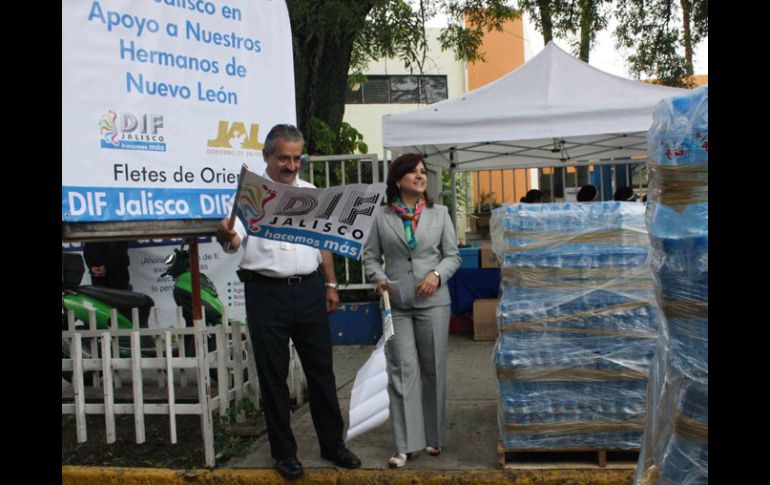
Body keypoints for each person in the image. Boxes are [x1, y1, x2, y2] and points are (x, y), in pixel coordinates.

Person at [216, 124, 360, 480]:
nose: (291, 165)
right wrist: (227, 236)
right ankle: (284, 454)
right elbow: (234, 240)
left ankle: (332, 444)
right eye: (283, 158)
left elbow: (323, 242)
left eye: (296, 158)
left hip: (310, 290)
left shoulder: (312, 193)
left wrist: (330, 284)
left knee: (322, 372)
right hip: (267, 294)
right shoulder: (250, 195)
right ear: (267, 156)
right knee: (273, 378)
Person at [363, 153, 461, 468]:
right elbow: (370, 258)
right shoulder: (381, 217)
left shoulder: (440, 213)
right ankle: (405, 445)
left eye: (423, 172)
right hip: (397, 306)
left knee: (433, 369)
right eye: (413, 172)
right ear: (398, 178)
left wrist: (436, 275)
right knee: (401, 372)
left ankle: (433, 438)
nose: (420, 177)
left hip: (434, 303)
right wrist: (380, 280)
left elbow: (453, 255)